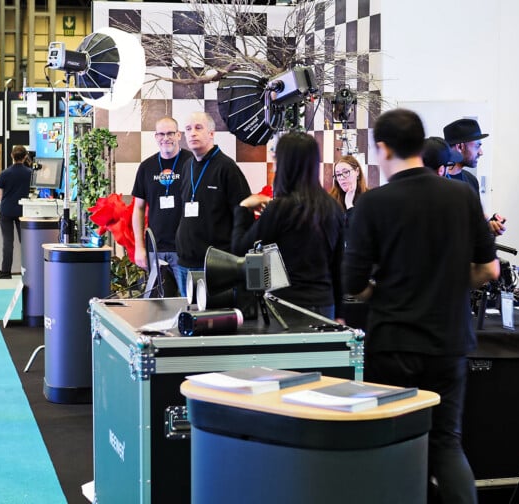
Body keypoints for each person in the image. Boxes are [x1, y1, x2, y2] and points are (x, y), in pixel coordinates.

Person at [342, 108, 499, 503]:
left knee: (394, 443)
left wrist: (387, 294)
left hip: (394, 341)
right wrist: (447, 288)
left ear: (382, 148)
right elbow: (489, 270)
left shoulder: (374, 203)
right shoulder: (462, 194)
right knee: (446, 444)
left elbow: (353, 284)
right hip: (449, 340)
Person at [232, 132, 344, 318]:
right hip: (325, 306)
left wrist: (243, 209)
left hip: (287, 307)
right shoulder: (332, 207)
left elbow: (241, 249)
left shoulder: (281, 208)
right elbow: (338, 267)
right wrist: (340, 313)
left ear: (285, 163)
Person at [175, 111, 251, 297]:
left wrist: (234, 259)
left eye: (198, 128)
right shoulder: (187, 166)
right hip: (185, 263)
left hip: (215, 265)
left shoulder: (227, 168)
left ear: (211, 133)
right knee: (191, 318)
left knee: (212, 322)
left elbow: (244, 214)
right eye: (188, 129)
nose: (192, 133)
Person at [131, 116, 194, 295]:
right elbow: (138, 208)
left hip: (184, 248)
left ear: (179, 135)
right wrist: (140, 247)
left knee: (187, 300)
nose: (165, 138)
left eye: (170, 133)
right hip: (155, 249)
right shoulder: (146, 167)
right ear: (155, 137)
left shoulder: (192, 163)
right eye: (161, 134)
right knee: (158, 304)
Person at [443, 118, 506, 236]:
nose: (481, 152)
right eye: (477, 146)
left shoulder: (471, 181)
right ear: (460, 147)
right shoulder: (437, 182)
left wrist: (489, 227)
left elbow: (474, 224)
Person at [0, 145, 32, 279]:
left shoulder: (4, 173)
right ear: (25, 156)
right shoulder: (30, 173)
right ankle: (30, 270)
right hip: (22, 210)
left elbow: (0, 195)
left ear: (11, 156)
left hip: (6, 210)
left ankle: (5, 271)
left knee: (8, 242)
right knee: (24, 242)